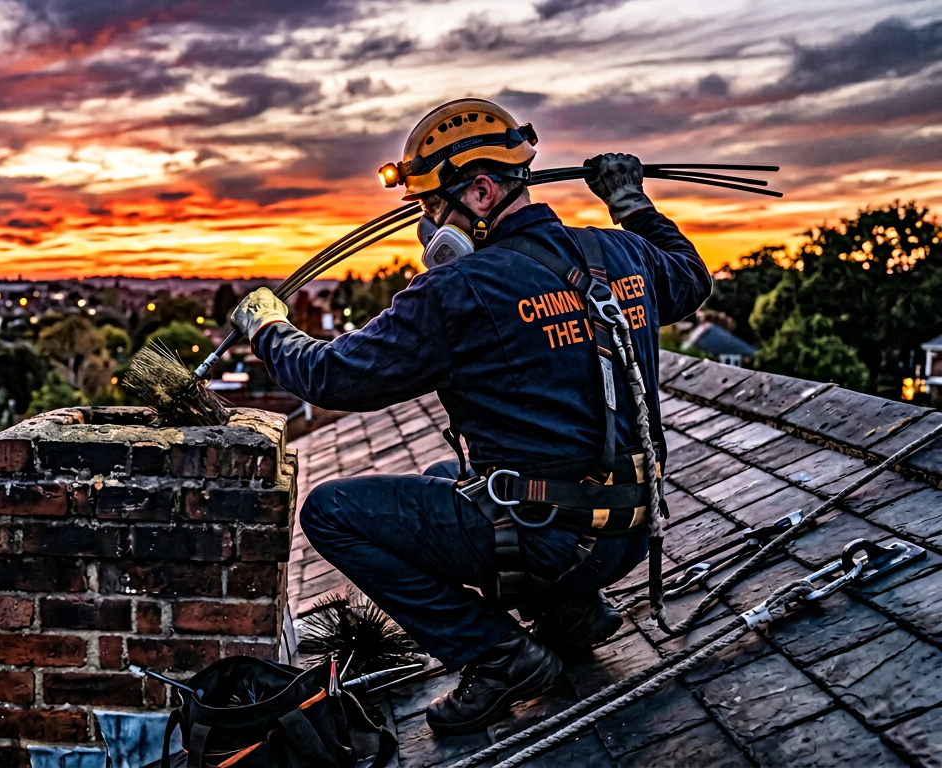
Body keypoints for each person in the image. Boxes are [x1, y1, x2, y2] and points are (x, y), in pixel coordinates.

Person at [229, 99, 711, 736]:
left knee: (330, 512)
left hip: (552, 544)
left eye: (432, 206)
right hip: (631, 530)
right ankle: (571, 614)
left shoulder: (459, 290)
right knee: (443, 474)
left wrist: (268, 329)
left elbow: (332, 376)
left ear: (481, 192)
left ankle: (500, 657)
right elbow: (691, 279)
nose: (427, 225)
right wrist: (630, 201)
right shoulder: (620, 254)